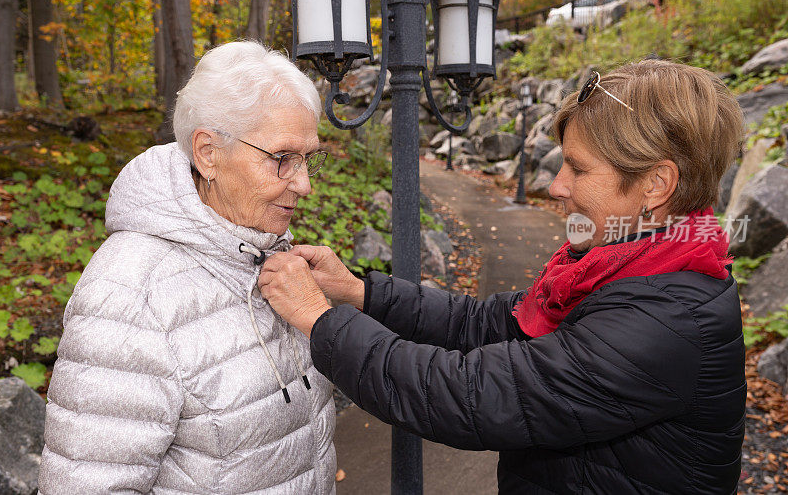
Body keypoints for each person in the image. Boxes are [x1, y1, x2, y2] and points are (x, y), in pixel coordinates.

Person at [258, 59, 747, 494]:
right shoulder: (625, 266)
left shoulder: (665, 321)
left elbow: (471, 396)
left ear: (656, 184)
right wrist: (361, 292)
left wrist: (322, 321)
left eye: (577, 168)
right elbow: (489, 322)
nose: (556, 186)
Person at [38, 41, 337, 494]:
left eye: (308, 157)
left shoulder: (266, 251)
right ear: (208, 153)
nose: (305, 184)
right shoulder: (129, 297)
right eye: (281, 159)